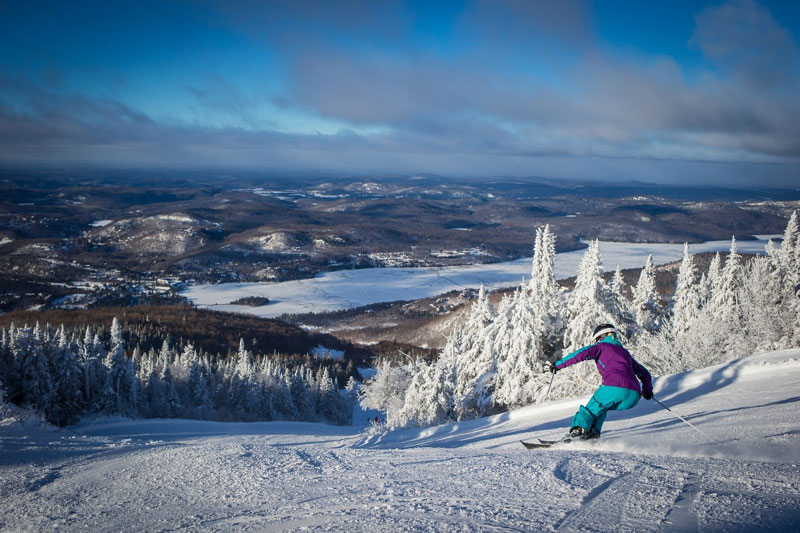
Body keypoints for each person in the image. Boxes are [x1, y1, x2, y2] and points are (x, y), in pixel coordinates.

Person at [549, 323, 653, 440]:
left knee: (589, 410)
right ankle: (593, 433)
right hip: (633, 396)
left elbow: (579, 354)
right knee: (600, 408)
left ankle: (577, 432)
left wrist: (558, 365)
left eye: (597, 340)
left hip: (614, 388)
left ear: (601, 337)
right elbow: (644, 373)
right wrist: (648, 391)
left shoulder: (601, 347)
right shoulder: (625, 353)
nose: (597, 342)